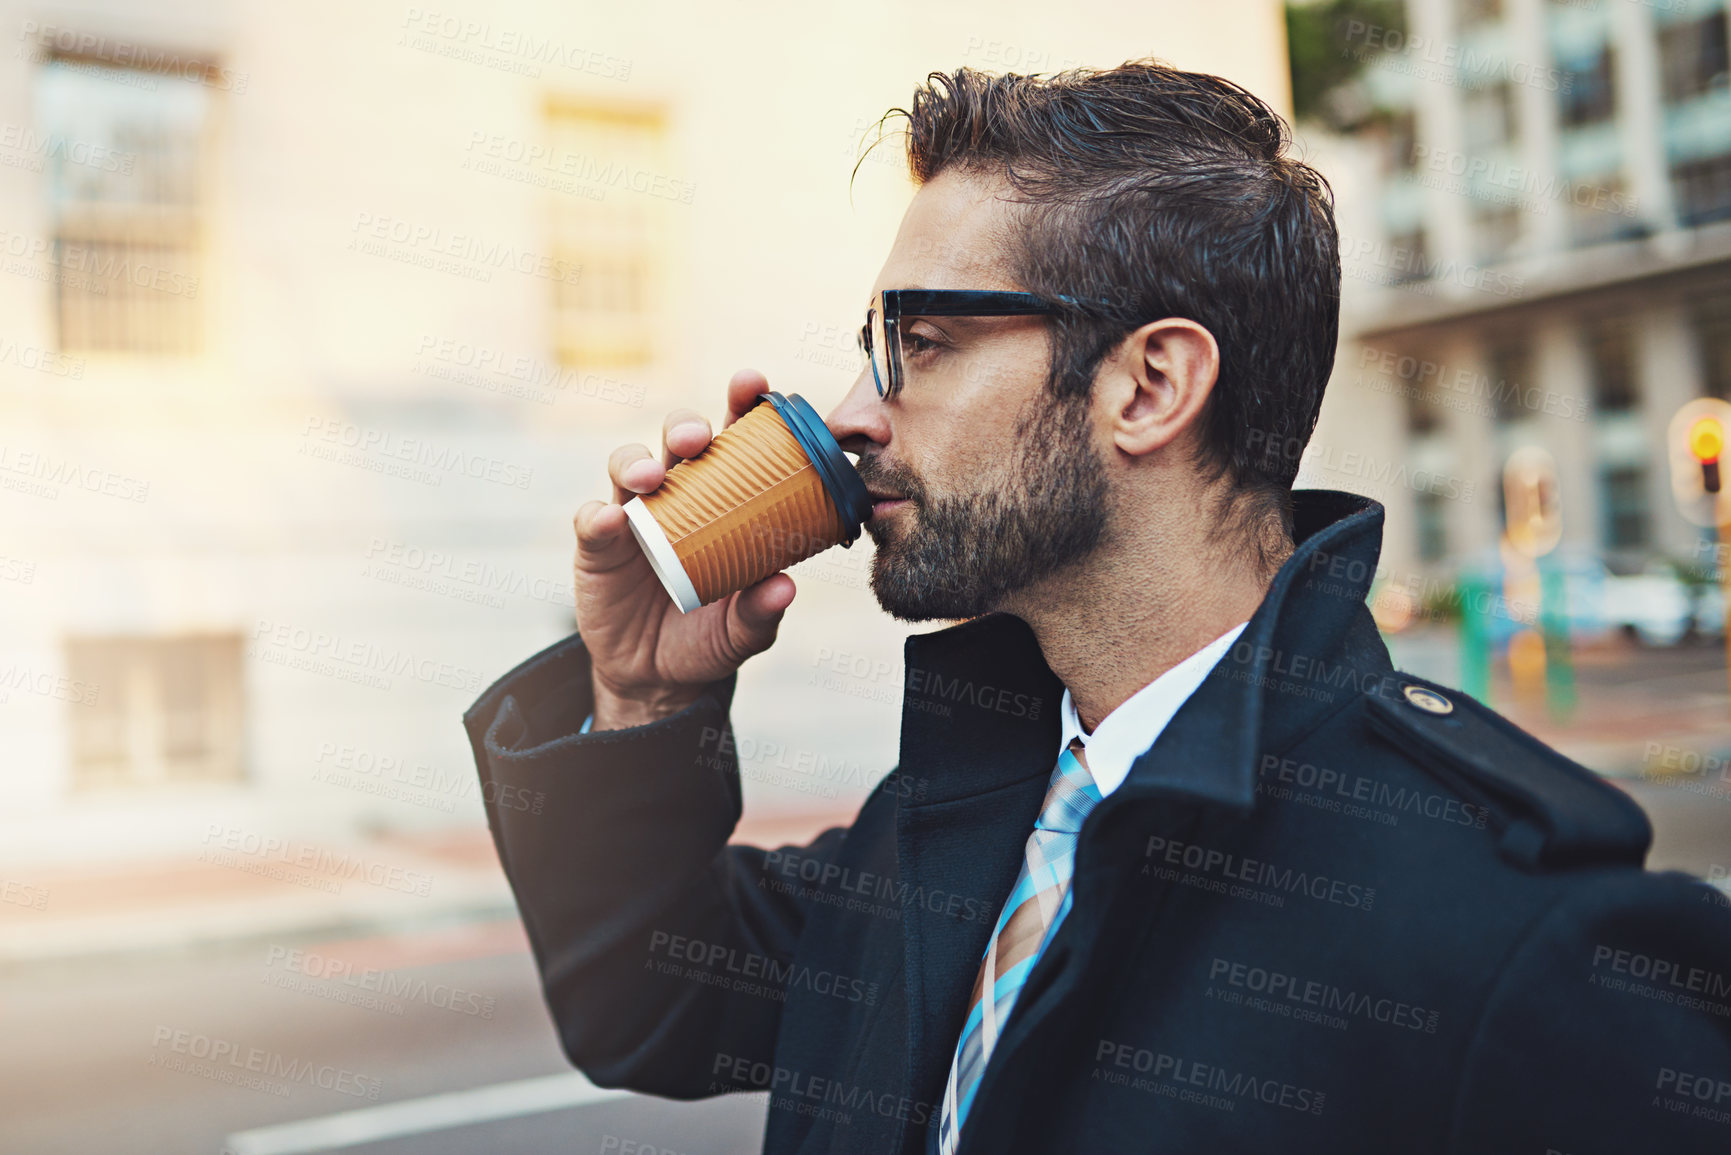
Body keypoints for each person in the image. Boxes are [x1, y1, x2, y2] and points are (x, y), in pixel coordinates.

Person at [464, 60, 1731, 1154]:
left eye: (925, 342)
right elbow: (651, 999)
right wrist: (641, 689)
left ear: (1149, 385)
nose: (851, 410)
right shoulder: (941, 830)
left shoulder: (1511, 939)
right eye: (871, 343)